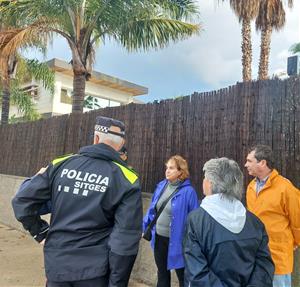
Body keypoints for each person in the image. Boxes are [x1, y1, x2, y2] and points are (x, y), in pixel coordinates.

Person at [12, 116, 143, 287]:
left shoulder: (60, 164)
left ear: (96, 138)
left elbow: (21, 201)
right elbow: (124, 240)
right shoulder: (127, 179)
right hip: (96, 271)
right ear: (121, 144)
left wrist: (40, 232)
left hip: (57, 266)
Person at [184, 157, 275, 287]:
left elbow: (196, 273)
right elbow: (264, 267)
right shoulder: (255, 222)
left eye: (205, 177)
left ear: (210, 183)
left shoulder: (196, 220)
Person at [245, 144, 300, 287]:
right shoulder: (251, 187)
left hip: (278, 258)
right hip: (255, 256)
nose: (245, 164)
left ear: (262, 163)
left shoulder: (286, 188)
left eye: (249, 161)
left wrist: (293, 243)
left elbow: (297, 221)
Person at [143, 155, 198, 287]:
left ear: (181, 171)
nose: (167, 171)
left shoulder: (189, 192)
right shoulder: (162, 185)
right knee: (162, 273)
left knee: (182, 277)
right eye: (167, 168)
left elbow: (195, 219)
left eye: (171, 168)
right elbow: (153, 208)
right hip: (159, 238)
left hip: (179, 242)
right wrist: (145, 226)